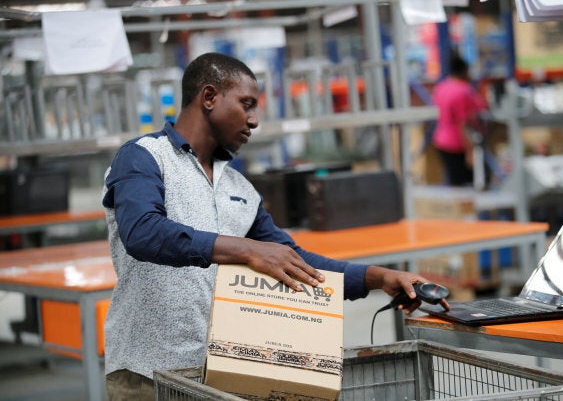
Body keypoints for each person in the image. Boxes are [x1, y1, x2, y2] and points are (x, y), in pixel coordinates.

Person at [102, 52, 449, 400]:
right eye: (246, 104)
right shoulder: (144, 156)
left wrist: (379, 277)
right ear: (209, 97)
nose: (253, 121)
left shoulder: (240, 189)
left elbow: (294, 261)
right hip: (146, 374)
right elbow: (143, 232)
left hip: (222, 375)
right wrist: (248, 249)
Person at [431, 53, 488, 186]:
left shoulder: (442, 87)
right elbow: (463, 124)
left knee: (454, 183)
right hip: (458, 144)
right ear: (464, 71)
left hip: (441, 140)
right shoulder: (463, 91)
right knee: (470, 185)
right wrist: (470, 152)